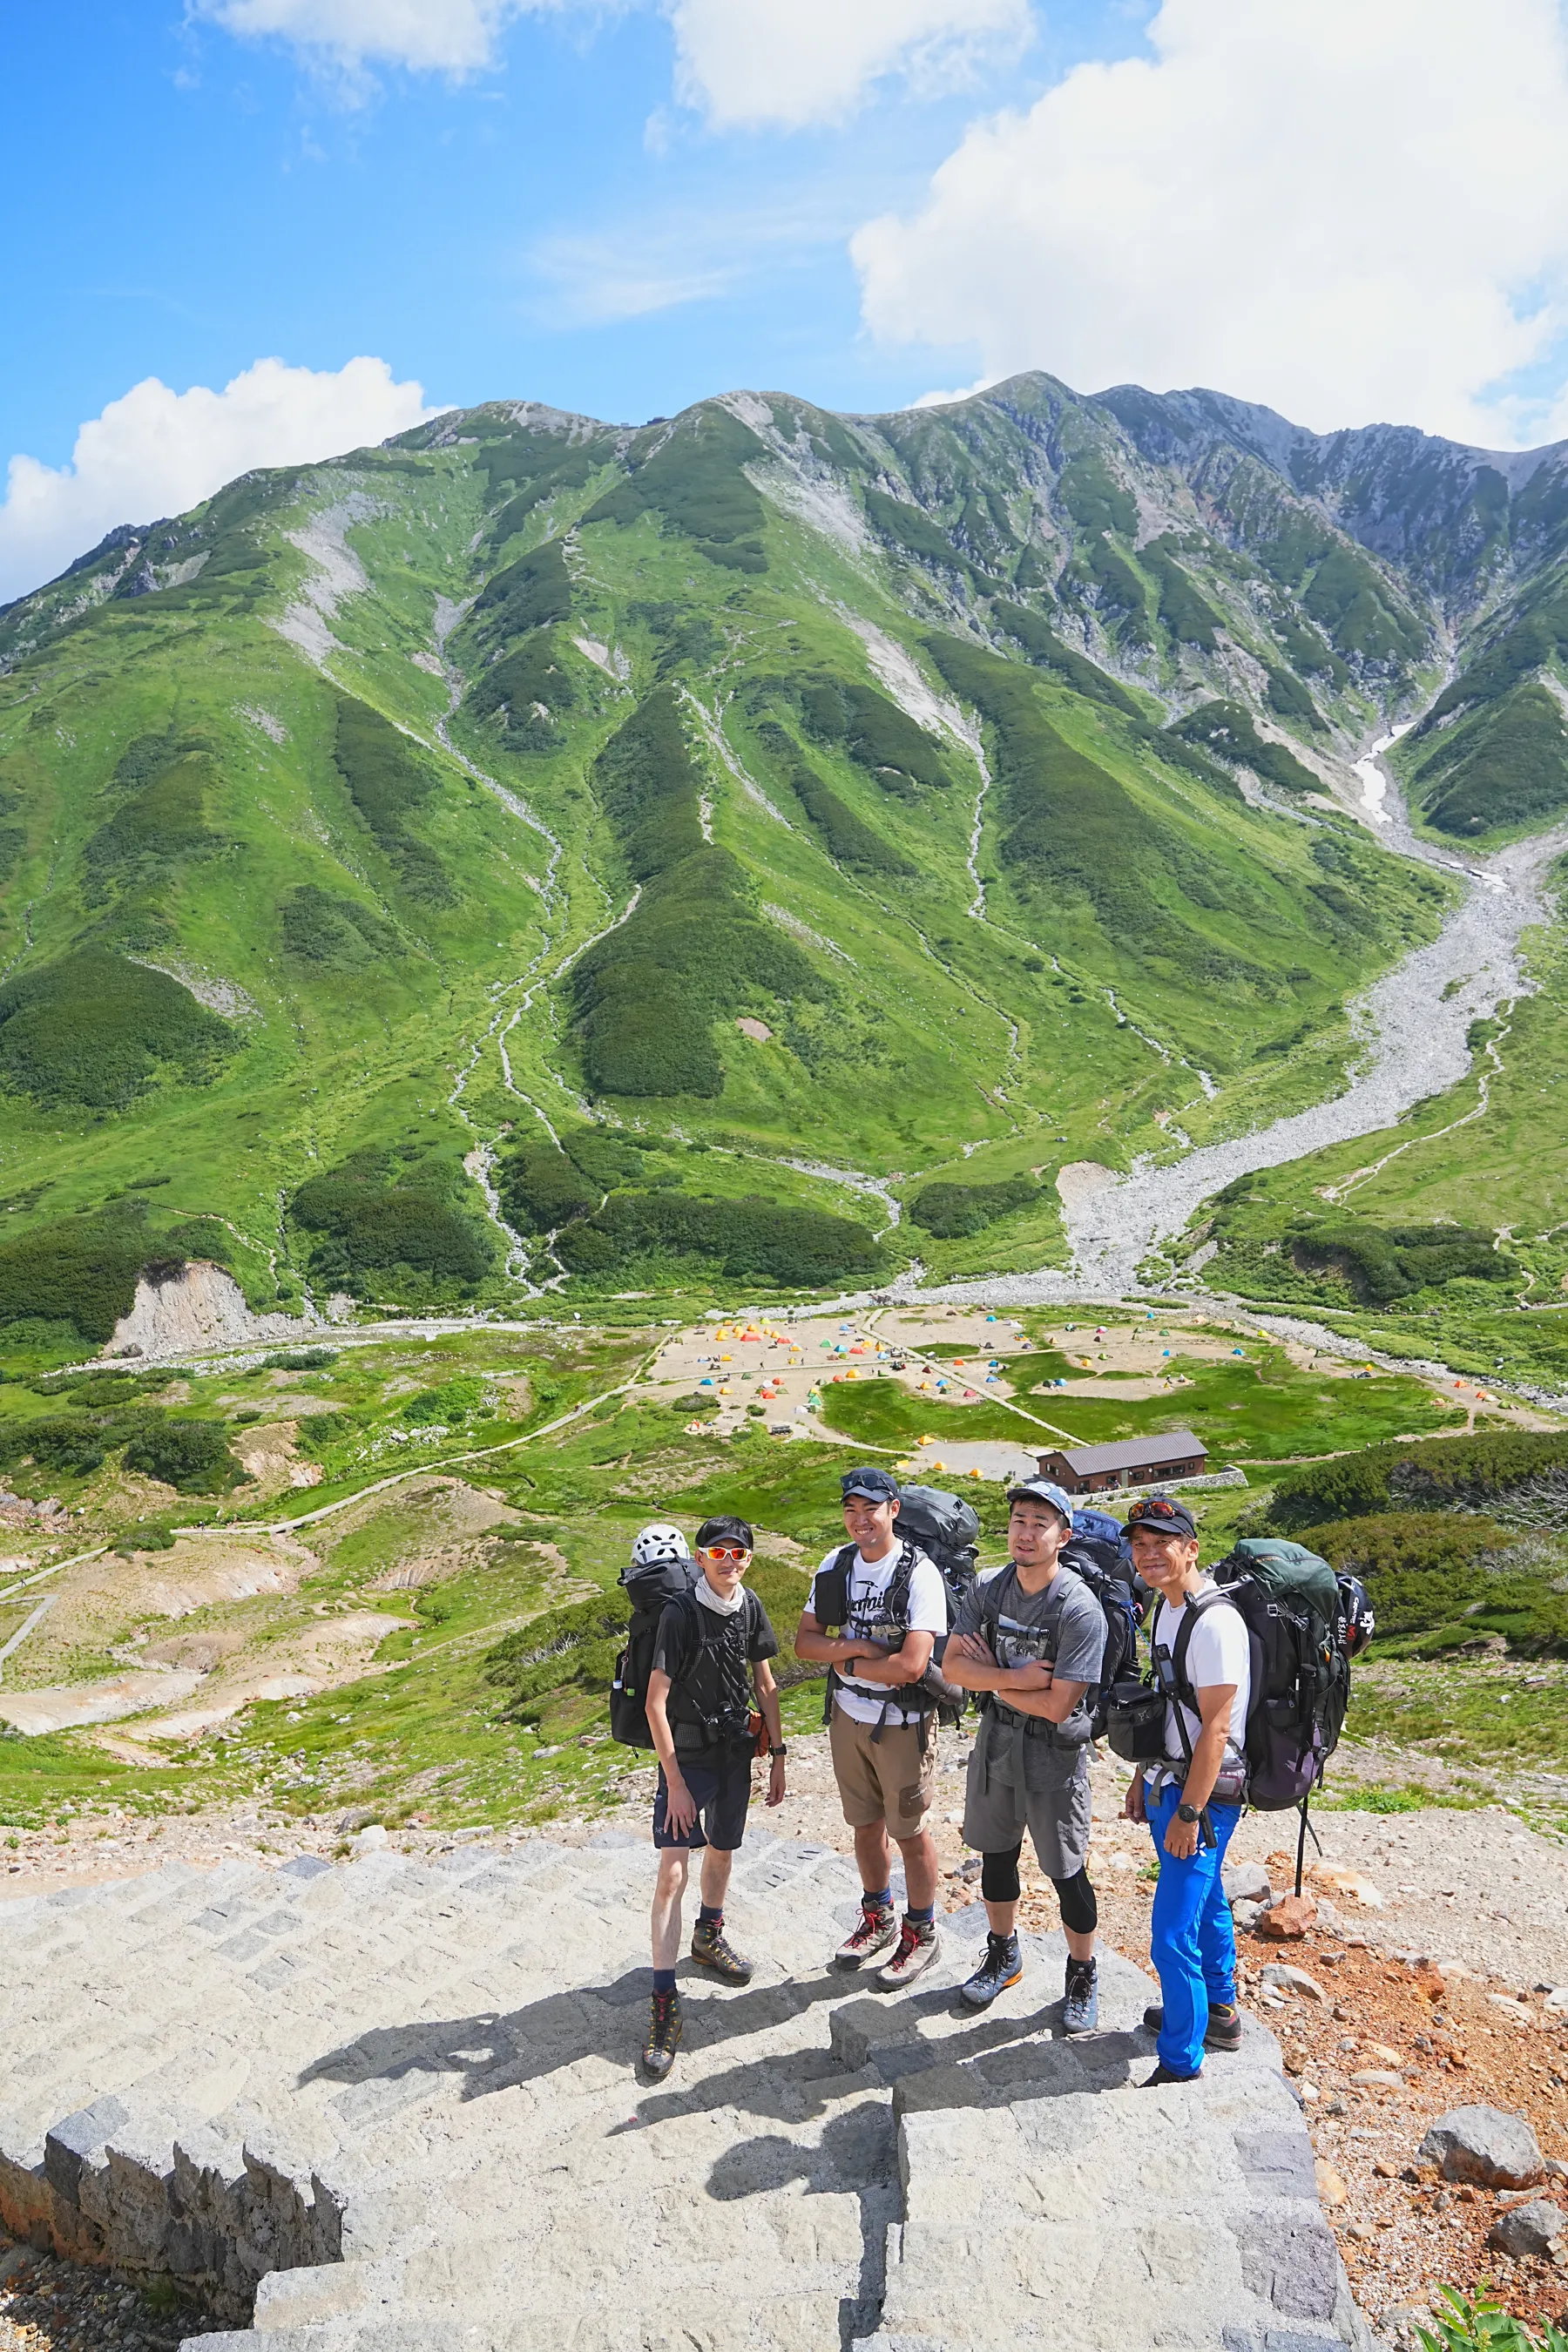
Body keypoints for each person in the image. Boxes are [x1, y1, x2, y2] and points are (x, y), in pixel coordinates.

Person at [943, 1477, 1105, 2033]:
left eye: (1041, 1524)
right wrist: (1013, 1680)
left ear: (1064, 1535)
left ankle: (1082, 1972)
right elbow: (951, 1669)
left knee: (1066, 1871)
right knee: (995, 1854)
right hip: (996, 1741)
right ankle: (1002, 1951)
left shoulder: (1079, 1609)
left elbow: (1061, 1706)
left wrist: (988, 1680)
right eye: (1019, 1522)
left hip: (1054, 1755)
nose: (1026, 1533)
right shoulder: (989, 1588)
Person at [642, 1514, 787, 2079]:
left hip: (733, 1755)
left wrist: (777, 1754)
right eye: (718, 1552)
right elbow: (657, 1703)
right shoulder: (680, 1613)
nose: (729, 1560)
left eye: (739, 1552)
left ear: (748, 1560)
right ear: (700, 1558)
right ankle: (662, 2002)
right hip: (688, 1758)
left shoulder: (748, 1606)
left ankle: (708, 1936)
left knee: (723, 1850)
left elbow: (766, 1684)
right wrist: (675, 1784)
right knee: (671, 1874)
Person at [794, 1467, 950, 1989]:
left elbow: (911, 1665)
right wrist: (858, 1651)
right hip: (847, 1717)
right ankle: (878, 1916)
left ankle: (921, 1931)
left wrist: (847, 1664)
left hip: (902, 1723)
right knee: (864, 1825)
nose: (860, 1520)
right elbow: (806, 1643)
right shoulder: (835, 1564)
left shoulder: (919, 1573)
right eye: (851, 1510)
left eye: (871, 1509)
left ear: (893, 1510)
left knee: (909, 1831)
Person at [1119, 1492, 1250, 2086]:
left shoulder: (1214, 1622)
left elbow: (1218, 1729)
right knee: (1208, 1899)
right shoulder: (1168, 1607)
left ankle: (1180, 2061)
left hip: (1206, 1795)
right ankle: (1219, 2011)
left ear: (1191, 1549)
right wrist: (1143, 1775)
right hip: (1172, 1779)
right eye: (1139, 1545)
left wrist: (1189, 1813)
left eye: (1161, 1544)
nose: (1148, 1555)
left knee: (1170, 1936)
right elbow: (1172, 1707)